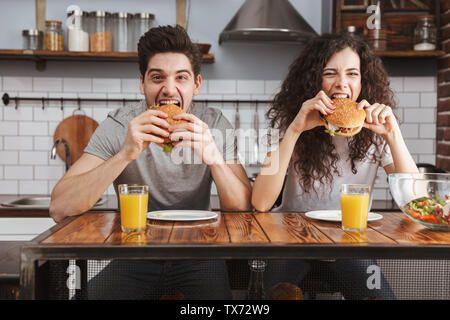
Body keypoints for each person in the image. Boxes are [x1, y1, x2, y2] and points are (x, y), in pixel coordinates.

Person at [49, 25, 251, 299]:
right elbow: (59, 208)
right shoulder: (121, 124)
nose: (169, 89)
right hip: (134, 252)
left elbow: (241, 209)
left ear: (196, 84)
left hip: (200, 254)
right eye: (158, 77)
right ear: (142, 83)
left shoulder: (214, 123)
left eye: (181, 77)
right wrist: (125, 154)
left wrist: (214, 157)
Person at [251, 32, 418, 299]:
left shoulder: (375, 129)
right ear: (315, 79)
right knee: (266, 298)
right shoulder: (293, 122)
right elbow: (260, 202)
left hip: (352, 242)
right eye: (331, 73)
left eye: (352, 74)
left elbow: (415, 201)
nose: (342, 84)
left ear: (363, 81)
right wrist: (295, 129)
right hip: (292, 241)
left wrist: (392, 134)